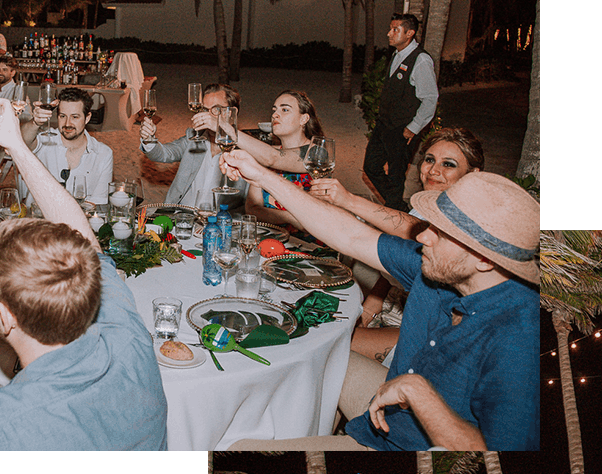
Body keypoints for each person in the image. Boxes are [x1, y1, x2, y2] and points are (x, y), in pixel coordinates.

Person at [220, 148, 539, 451]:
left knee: (238, 449)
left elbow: (498, 460)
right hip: (389, 405)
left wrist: (417, 392)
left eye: (441, 233)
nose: (423, 237)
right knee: (311, 354)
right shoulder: (439, 267)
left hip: (409, 445)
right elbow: (352, 235)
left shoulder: (517, 340)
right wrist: (261, 175)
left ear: (484, 260)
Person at [0, 101, 167, 450]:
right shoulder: (130, 341)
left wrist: (15, 144)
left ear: (4, 317)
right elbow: (82, 233)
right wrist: (15, 145)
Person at [312, 127, 487, 363]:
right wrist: (373, 303)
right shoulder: (425, 205)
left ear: (472, 174)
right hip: (401, 307)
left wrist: (349, 200)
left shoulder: (468, 220)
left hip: (432, 332)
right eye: (429, 160)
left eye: (449, 164)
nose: (434, 170)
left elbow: (414, 231)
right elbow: (399, 258)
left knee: (325, 341)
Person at [362, 13, 437, 213]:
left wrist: (412, 128)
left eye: (395, 30)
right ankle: (397, 206)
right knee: (371, 167)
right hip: (385, 125)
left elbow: (430, 99)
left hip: (402, 129)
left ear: (410, 33)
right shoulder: (397, 55)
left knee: (396, 174)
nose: (389, 33)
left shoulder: (420, 60)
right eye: (390, 28)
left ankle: (396, 212)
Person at [144, 83, 245, 211]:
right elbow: (163, 154)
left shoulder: (244, 152)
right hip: (181, 214)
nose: (208, 116)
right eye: (204, 110)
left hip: (218, 222)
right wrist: (149, 139)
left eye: (216, 110)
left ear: (231, 113)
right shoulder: (193, 138)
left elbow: (249, 204)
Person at [240, 90, 324, 232]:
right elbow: (253, 209)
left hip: (310, 244)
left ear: (304, 119)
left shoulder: (318, 153)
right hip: (271, 237)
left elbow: (273, 158)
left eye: (285, 110)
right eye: (274, 110)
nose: (274, 115)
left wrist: (227, 130)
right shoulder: (266, 154)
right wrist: (289, 218)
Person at [21, 87, 113, 207]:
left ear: (87, 118)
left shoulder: (103, 154)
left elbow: (98, 203)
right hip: (39, 220)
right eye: (62, 116)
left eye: (75, 117)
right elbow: (21, 141)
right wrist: (35, 122)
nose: (67, 123)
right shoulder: (45, 140)